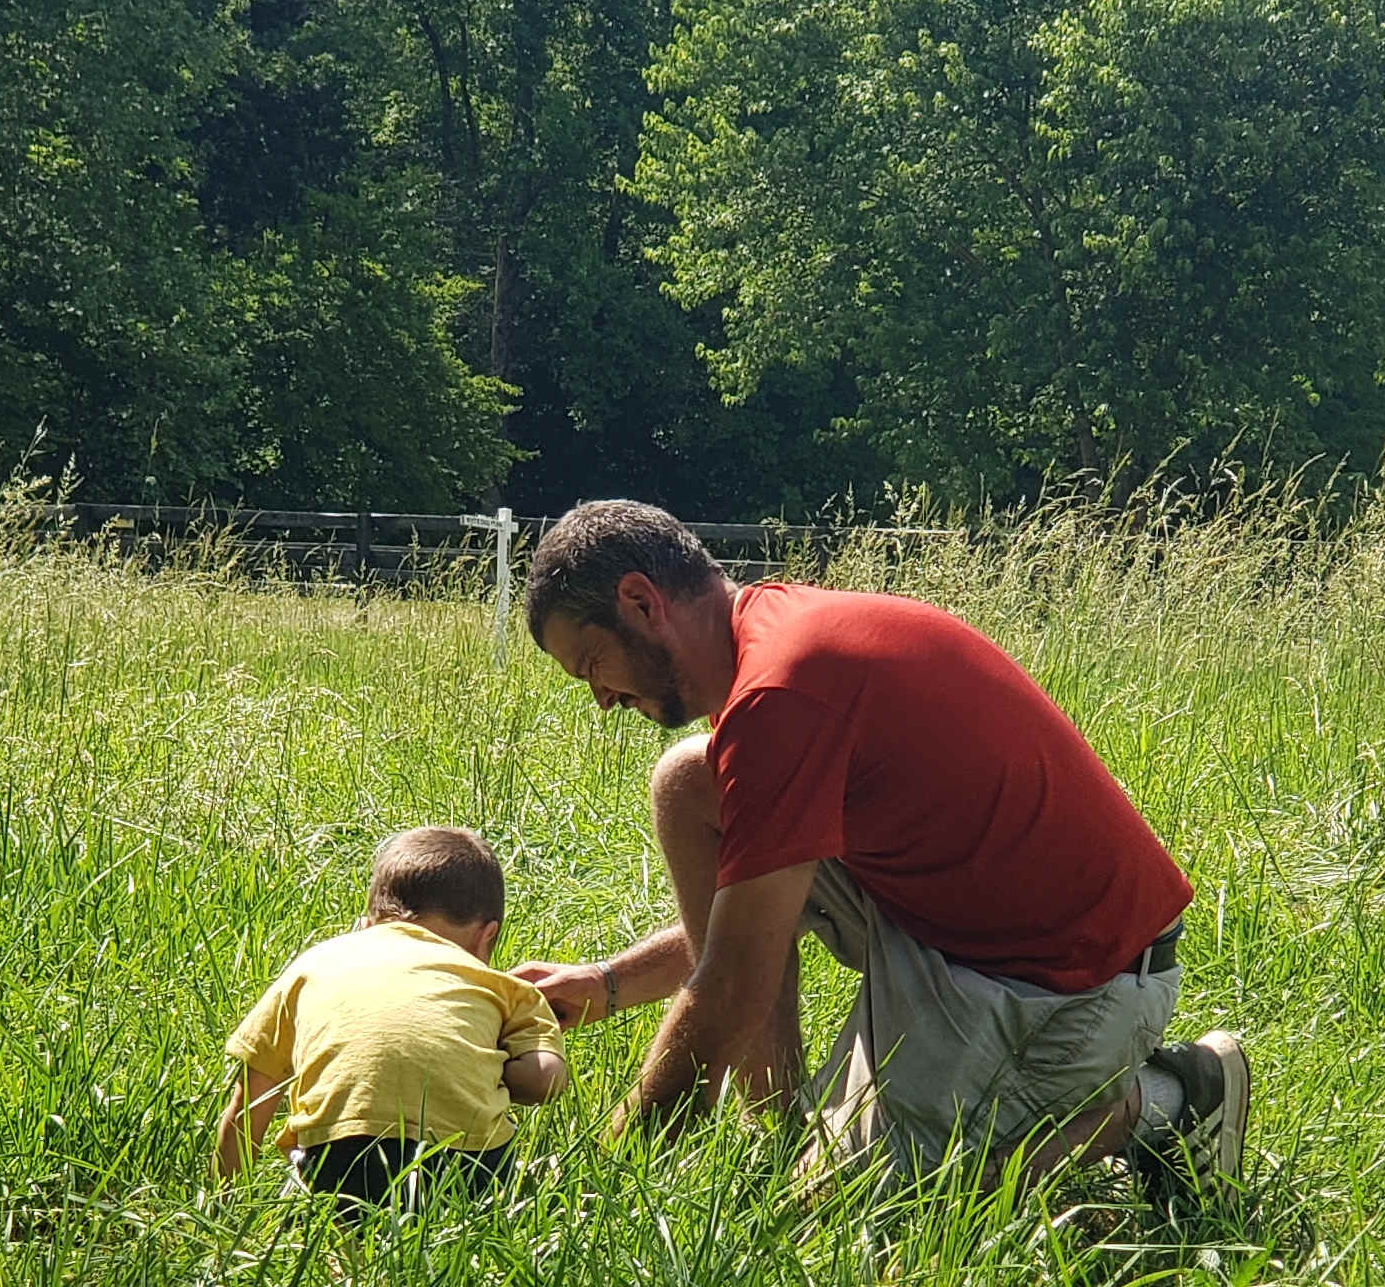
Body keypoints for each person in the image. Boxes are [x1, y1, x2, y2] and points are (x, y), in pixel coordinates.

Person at [520, 501, 1247, 1190]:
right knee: (689, 781)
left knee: (861, 1214)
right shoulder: (772, 641)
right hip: (958, 932)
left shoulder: (781, 696)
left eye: (591, 663)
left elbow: (736, 977)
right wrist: (609, 983)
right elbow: (751, 919)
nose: (602, 699)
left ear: (641, 602)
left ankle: (1167, 1100)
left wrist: (614, 1171)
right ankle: (780, 1135)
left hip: (1074, 984)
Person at [217, 823, 565, 1200]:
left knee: (331, 1199)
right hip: (463, 1165)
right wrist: (490, 1066)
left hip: (337, 1159)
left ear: (366, 924)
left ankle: (340, 1234)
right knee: (522, 1169)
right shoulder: (506, 989)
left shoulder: (312, 966)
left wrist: (226, 1198)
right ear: (487, 936)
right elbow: (545, 1079)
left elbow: (248, 1103)